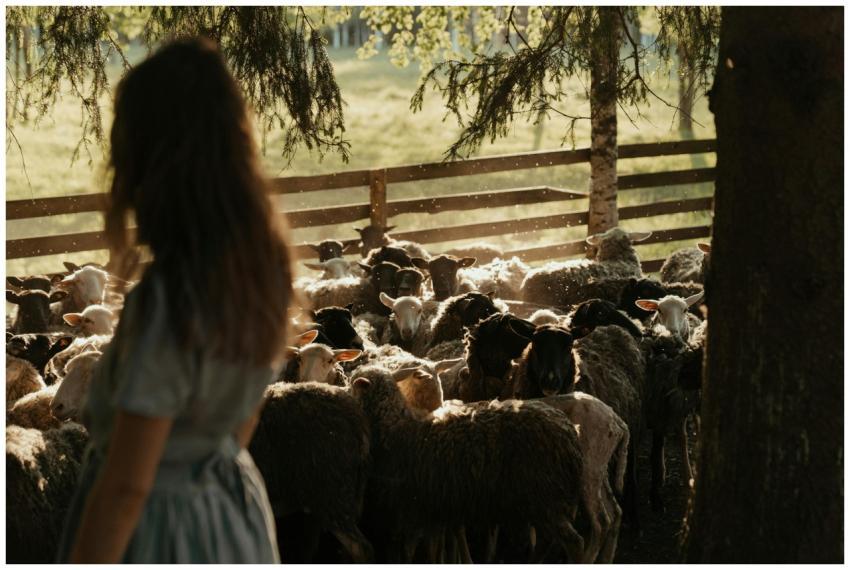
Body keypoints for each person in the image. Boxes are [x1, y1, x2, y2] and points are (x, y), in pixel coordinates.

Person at [56, 37, 293, 563]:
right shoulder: (261, 276)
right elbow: (239, 425)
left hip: (159, 534)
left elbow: (126, 490)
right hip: (232, 517)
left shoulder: (168, 303)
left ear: (152, 164)